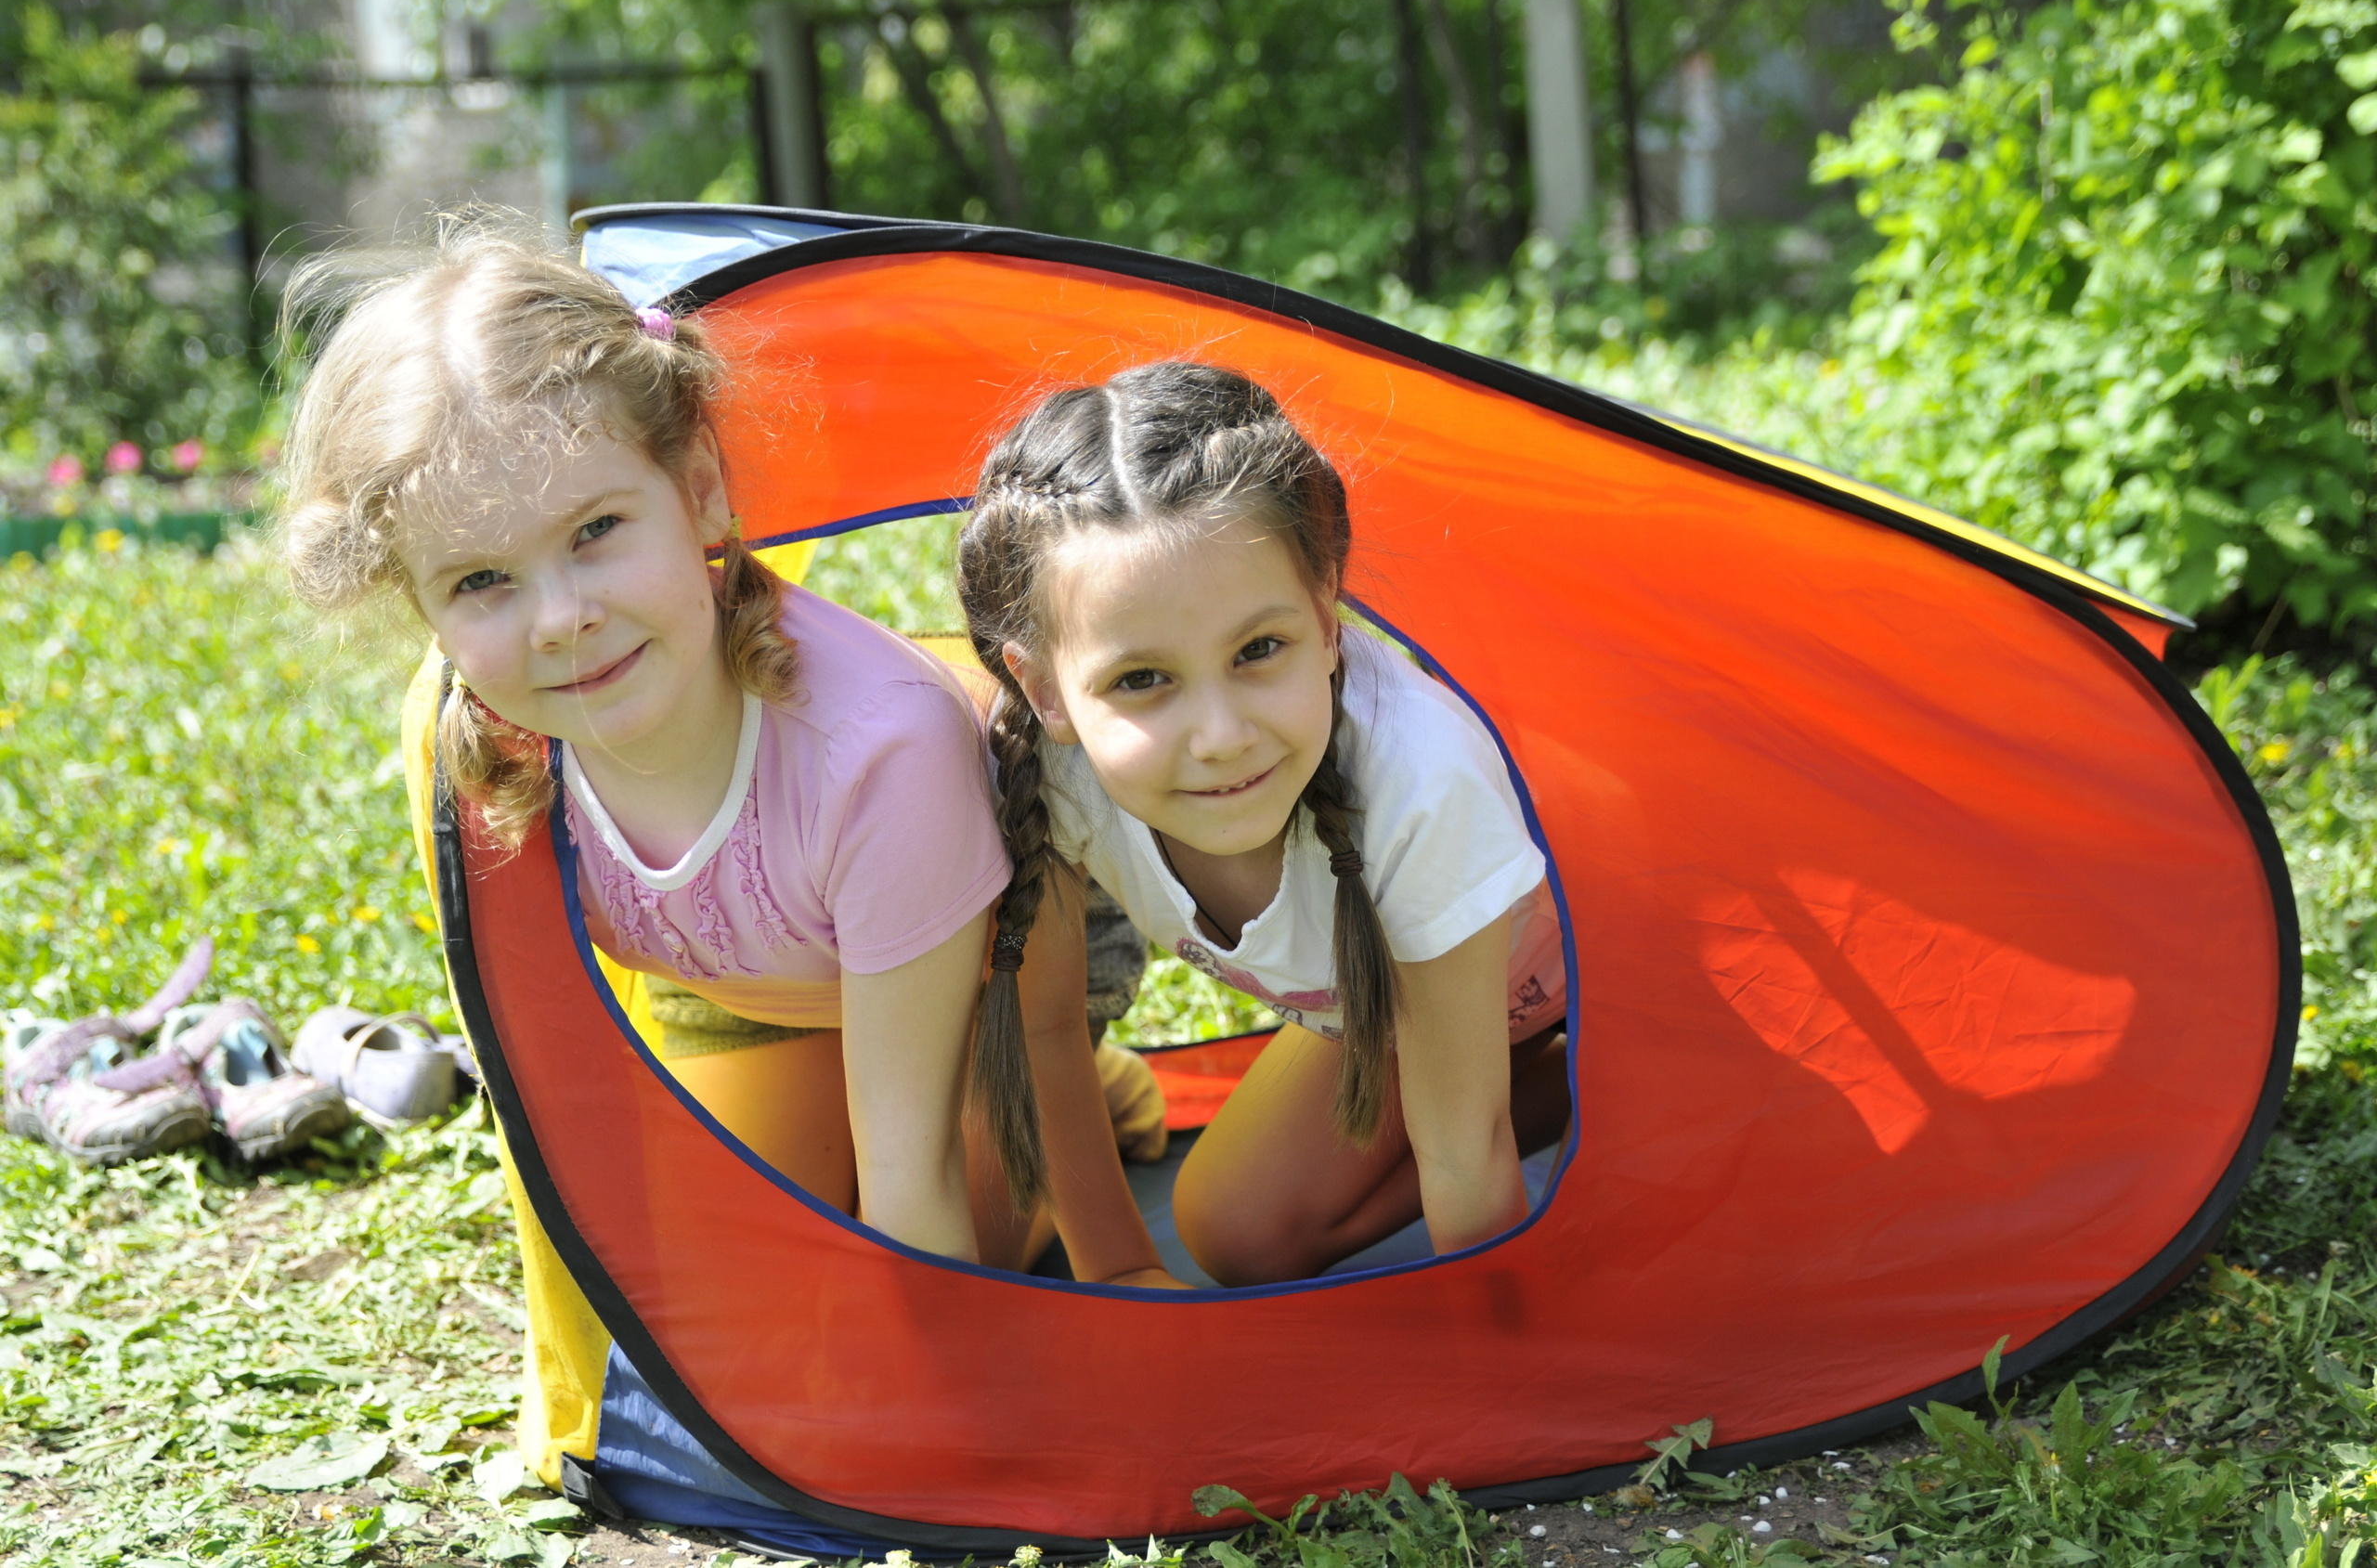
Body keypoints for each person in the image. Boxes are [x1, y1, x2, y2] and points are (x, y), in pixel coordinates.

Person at [274, 221, 1027, 1263]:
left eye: (595, 532)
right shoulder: (482, 731)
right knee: (738, 1266)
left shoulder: (877, 754)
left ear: (701, 490)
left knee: (937, 1241)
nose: (559, 617)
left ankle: (1101, 1090)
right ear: (423, 606)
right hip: (745, 986)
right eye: (482, 580)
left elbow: (915, 1187)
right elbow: (562, 1128)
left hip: (990, 977)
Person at [957, 361, 1572, 1286]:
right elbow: (1046, 1028)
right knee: (1231, 1226)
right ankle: (1551, 1086)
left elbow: (1462, 1154)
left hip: (1623, 988)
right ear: (1044, 688)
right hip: (1413, 1015)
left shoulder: (1419, 785)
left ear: (1327, 619)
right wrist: (1122, 1271)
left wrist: (1494, 1376)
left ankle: (1588, 1080)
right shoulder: (1054, 775)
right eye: (1141, 679)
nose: (1219, 736)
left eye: (1257, 650)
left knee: (1594, 1159)